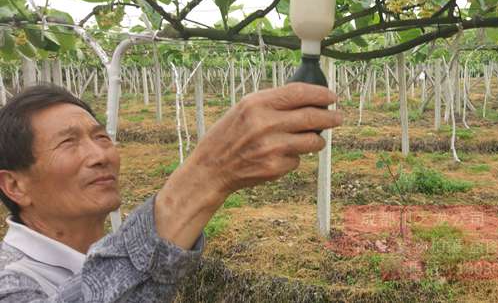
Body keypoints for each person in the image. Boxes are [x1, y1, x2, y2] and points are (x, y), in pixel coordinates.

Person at [0, 83, 342, 302]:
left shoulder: (96, 253)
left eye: (101, 137)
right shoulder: (10, 281)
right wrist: (208, 172)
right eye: (68, 143)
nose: (100, 156)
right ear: (15, 185)